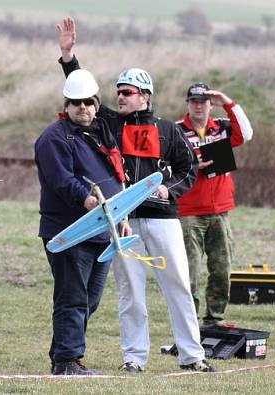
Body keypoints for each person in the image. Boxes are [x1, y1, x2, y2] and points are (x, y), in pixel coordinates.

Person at [57, 17, 215, 373]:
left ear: (145, 96)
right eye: (119, 91)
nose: (120, 96)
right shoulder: (110, 122)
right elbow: (84, 94)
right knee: (130, 294)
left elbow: (188, 169)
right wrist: (69, 58)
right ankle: (134, 358)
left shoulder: (169, 131)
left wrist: (168, 189)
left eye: (127, 91)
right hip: (123, 221)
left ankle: (193, 357)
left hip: (162, 219)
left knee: (178, 287)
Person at [35, 68, 130, 375]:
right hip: (70, 231)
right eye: (76, 102)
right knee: (73, 296)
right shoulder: (53, 138)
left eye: (88, 102)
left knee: (89, 299)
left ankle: (62, 352)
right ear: (66, 104)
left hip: (104, 229)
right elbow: (62, 180)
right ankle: (67, 360)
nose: (83, 108)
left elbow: (117, 177)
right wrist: (87, 200)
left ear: (96, 103)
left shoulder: (100, 132)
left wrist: (122, 215)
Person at [176, 82, 254, 326]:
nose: (198, 106)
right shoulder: (176, 130)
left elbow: (246, 134)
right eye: (194, 101)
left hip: (220, 211)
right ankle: (188, 320)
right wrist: (191, 166)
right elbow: (163, 165)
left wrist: (228, 102)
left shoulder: (220, 127)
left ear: (211, 104)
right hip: (188, 212)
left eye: (204, 101)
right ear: (188, 104)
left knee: (222, 268)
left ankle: (214, 318)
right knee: (188, 271)